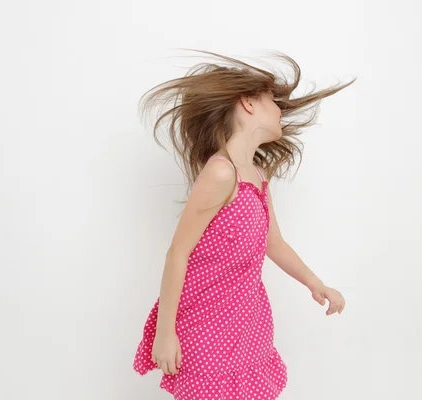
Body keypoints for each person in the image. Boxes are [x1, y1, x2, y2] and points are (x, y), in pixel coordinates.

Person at [133, 50, 356, 400]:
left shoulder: (257, 176)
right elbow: (177, 254)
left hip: (247, 322)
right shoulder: (221, 173)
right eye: (273, 101)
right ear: (249, 103)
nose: (281, 111)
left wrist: (317, 284)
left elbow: (275, 243)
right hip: (206, 324)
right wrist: (165, 333)